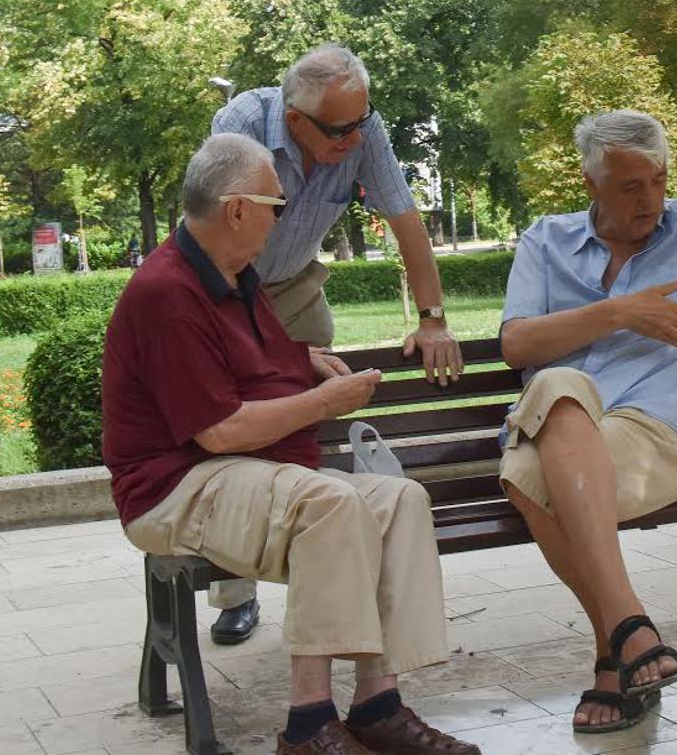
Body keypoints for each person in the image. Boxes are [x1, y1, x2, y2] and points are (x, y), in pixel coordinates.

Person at [102, 134, 479, 755]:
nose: (283, 218)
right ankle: (307, 724)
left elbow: (238, 363)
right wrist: (325, 402)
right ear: (237, 209)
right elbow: (218, 430)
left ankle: (376, 703)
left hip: (240, 472)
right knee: (327, 504)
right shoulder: (166, 290)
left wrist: (301, 361)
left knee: (398, 499)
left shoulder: (234, 275)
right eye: (276, 204)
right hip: (174, 488)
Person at [497, 110, 677, 733]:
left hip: (652, 434)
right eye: (631, 186)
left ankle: (614, 650)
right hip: (556, 424)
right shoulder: (544, 241)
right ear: (590, 185)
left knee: (524, 479)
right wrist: (619, 312)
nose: (651, 199)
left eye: (658, 180)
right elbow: (518, 345)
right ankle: (631, 628)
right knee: (557, 386)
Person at [207, 43, 464, 642]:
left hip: (294, 283)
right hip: (223, 284)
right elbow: (220, 239)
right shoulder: (241, 124)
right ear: (296, 121)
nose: (356, 138)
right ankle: (233, 586)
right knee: (237, 423)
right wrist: (263, 348)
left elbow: (405, 220)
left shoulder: (361, 129)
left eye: (363, 121)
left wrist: (433, 319)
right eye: (342, 128)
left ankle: (311, 555)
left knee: (305, 416)